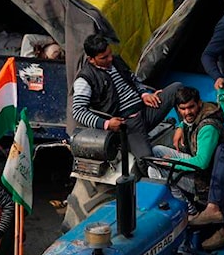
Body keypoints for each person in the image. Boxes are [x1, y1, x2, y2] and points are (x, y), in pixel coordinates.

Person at [150, 86, 224, 251]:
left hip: (206, 179)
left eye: (191, 107)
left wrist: (171, 163)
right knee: (155, 154)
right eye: (182, 109)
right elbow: (186, 119)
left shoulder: (208, 127)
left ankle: (190, 211)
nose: (187, 112)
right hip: (199, 169)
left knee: (158, 168)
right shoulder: (193, 117)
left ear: (199, 104)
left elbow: (202, 162)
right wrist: (180, 127)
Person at [72, 33, 184, 167]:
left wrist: (144, 94)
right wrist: (106, 124)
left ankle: (185, 130)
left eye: (110, 54)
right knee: (146, 161)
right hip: (128, 125)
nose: (109, 59)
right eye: (104, 58)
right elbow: (78, 111)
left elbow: (134, 81)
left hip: (145, 110)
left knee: (178, 89)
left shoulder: (117, 61)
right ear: (91, 59)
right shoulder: (85, 79)